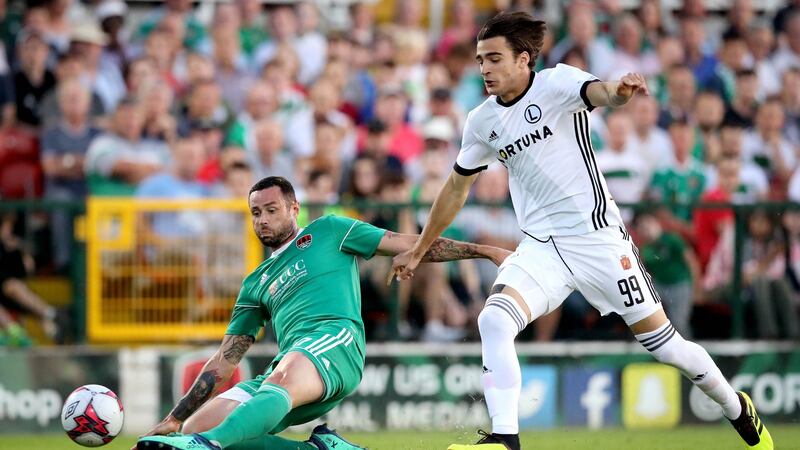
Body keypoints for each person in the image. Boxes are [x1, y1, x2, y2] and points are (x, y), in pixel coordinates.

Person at [389, 12, 772, 450]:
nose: (485, 69)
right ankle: (505, 440)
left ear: (524, 59)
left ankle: (735, 406)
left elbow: (601, 92)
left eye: (494, 58)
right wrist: (419, 248)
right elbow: (456, 188)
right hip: (542, 248)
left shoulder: (556, 83)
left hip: (599, 242)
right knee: (493, 319)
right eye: (480, 60)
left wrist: (620, 92)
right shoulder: (481, 121)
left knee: (667, 348)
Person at [135, 176, 510, 450]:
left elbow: (410, 244)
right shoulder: (255, 282)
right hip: (289, 367)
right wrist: (176, 417)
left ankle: (207, 445)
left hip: (336, 343)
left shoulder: (329, 231)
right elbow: (225, 359)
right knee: (197, 428)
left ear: (294, 209)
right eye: (255, 213)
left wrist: (484, 250)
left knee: (215, 434)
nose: (262, 219)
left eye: (271, 209)